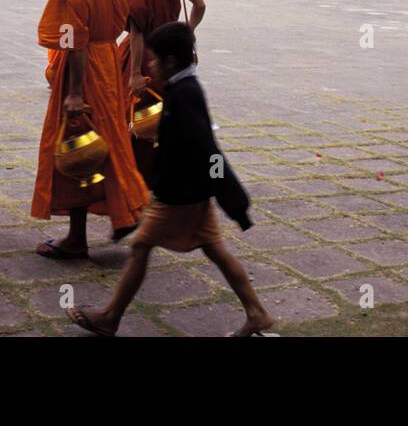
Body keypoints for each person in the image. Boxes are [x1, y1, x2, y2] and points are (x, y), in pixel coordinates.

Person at [66, 22, 274, 337]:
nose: (149, 65)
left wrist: (230, 194)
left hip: (180, 195)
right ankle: (257, 313)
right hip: (193, 193)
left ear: (171, 62)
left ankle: (109, 317)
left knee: (140, 247)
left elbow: (208, 150)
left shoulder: (185, 93)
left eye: (154, 59)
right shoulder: (182, 88)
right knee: (215, 248)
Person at [32, 0, 147, 258]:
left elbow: (73, 41)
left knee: (76, 143)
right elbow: (128, 22)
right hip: (110, 62)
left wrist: (75, 93)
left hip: (83, 71)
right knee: (111, 139)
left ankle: (77, 238)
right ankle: (127, 208)